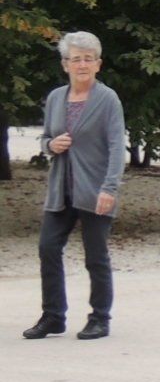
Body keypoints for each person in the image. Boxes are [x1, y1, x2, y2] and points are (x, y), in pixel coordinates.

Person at [25, 31, 126, 341]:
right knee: (47, 248)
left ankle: (100, 318)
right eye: (76, 59)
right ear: (65, 64)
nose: (82, 65)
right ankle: (53, 316)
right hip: (61, 189)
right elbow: (46, 138)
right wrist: (50, 145)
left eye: (88, 59)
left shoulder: (107, 99)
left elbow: (116, 147)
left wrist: (109, 188)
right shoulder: (56, 98)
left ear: (98, 64)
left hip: (95, 190)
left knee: (95, 257)